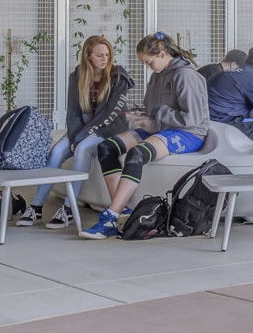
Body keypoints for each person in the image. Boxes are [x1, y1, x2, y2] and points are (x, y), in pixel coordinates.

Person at [80, 32, 210, 240]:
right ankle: (122, 211)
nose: (148, 67)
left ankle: (110, 217)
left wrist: (156, 118)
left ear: (161, 53)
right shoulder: (157, 75)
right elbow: (155, 110)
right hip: (161, 127)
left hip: (188, 133)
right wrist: (140, 116)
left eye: (149, 62)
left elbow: (192, 118)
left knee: (137, 154)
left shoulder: (186, 75)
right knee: (106, 147)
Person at [20, 35, 133, 229]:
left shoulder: (118, 77)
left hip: (109, 128)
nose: (104, 59)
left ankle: (68, 209)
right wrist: (74, 135)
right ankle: (37, 206)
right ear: (88, 56)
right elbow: (72, 111)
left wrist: (80, 138)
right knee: (56, 152)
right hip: (82, 127)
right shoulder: (78, 75)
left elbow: (108, 115)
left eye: (107, 54)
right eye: (99, 55)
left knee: (82, 149)